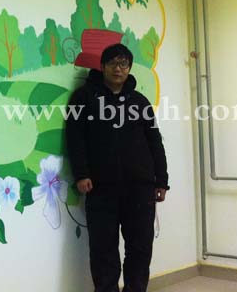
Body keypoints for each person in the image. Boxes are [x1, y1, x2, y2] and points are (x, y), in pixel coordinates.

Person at [65, 43, 169, 292]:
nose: (118, 69)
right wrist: (81, 173)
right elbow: (75, 138)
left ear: (129, 68)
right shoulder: (83, 97)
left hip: (140, 188)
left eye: (123, 64)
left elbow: (155, 141)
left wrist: (162, 180)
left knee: (140, 248)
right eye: (112, 63)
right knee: (103, 250)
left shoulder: (139, 101)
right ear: (102, 66)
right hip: (101, 188)